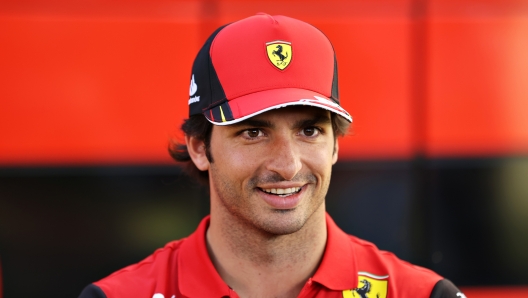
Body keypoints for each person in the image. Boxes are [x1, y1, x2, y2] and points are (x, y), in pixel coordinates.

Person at [79, 13, 465, 298]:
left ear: (334, 146)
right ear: (199, 147)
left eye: (309, 130)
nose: (288, 164)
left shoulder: (424, 295)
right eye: (253, 132)